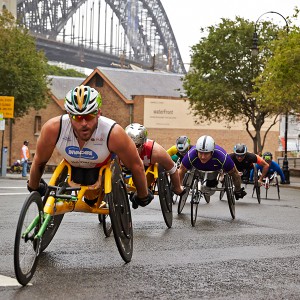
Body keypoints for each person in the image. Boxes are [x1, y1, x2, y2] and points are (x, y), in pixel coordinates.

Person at [27, 85, 153, 208]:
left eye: (89, 116)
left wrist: (143, 196)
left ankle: (93, 197)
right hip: (73, 167)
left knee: (91, 199)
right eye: (77, 117)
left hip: (99, 170)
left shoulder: (114, 133)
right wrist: (34, 186)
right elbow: (39, 161)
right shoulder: (53, 128)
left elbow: (136, 165)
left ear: (98, 113)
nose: (83, 123)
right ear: (69, 114)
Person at [125, 123, 184, 205]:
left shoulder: (156, 151)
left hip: (147, 169)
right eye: (130, 145)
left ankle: (143, 190)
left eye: (137, 145)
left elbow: (172, 168)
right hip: (128, 168)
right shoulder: (119, 148)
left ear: (143, 144)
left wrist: (177, 188)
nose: (133, 149)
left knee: (143, 201)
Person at [178, 135, 247, 200]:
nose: (203, 157)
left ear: (212, 152)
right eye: (200, 153)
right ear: (196, 151)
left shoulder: (222, 156)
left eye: (206, 153)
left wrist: (238, 189)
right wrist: (179, 186)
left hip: (215, 169)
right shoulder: (190, 155)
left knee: (233, 172)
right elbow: (181, 170)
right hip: (197, 169)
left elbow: (235, 173)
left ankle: (220, 179)